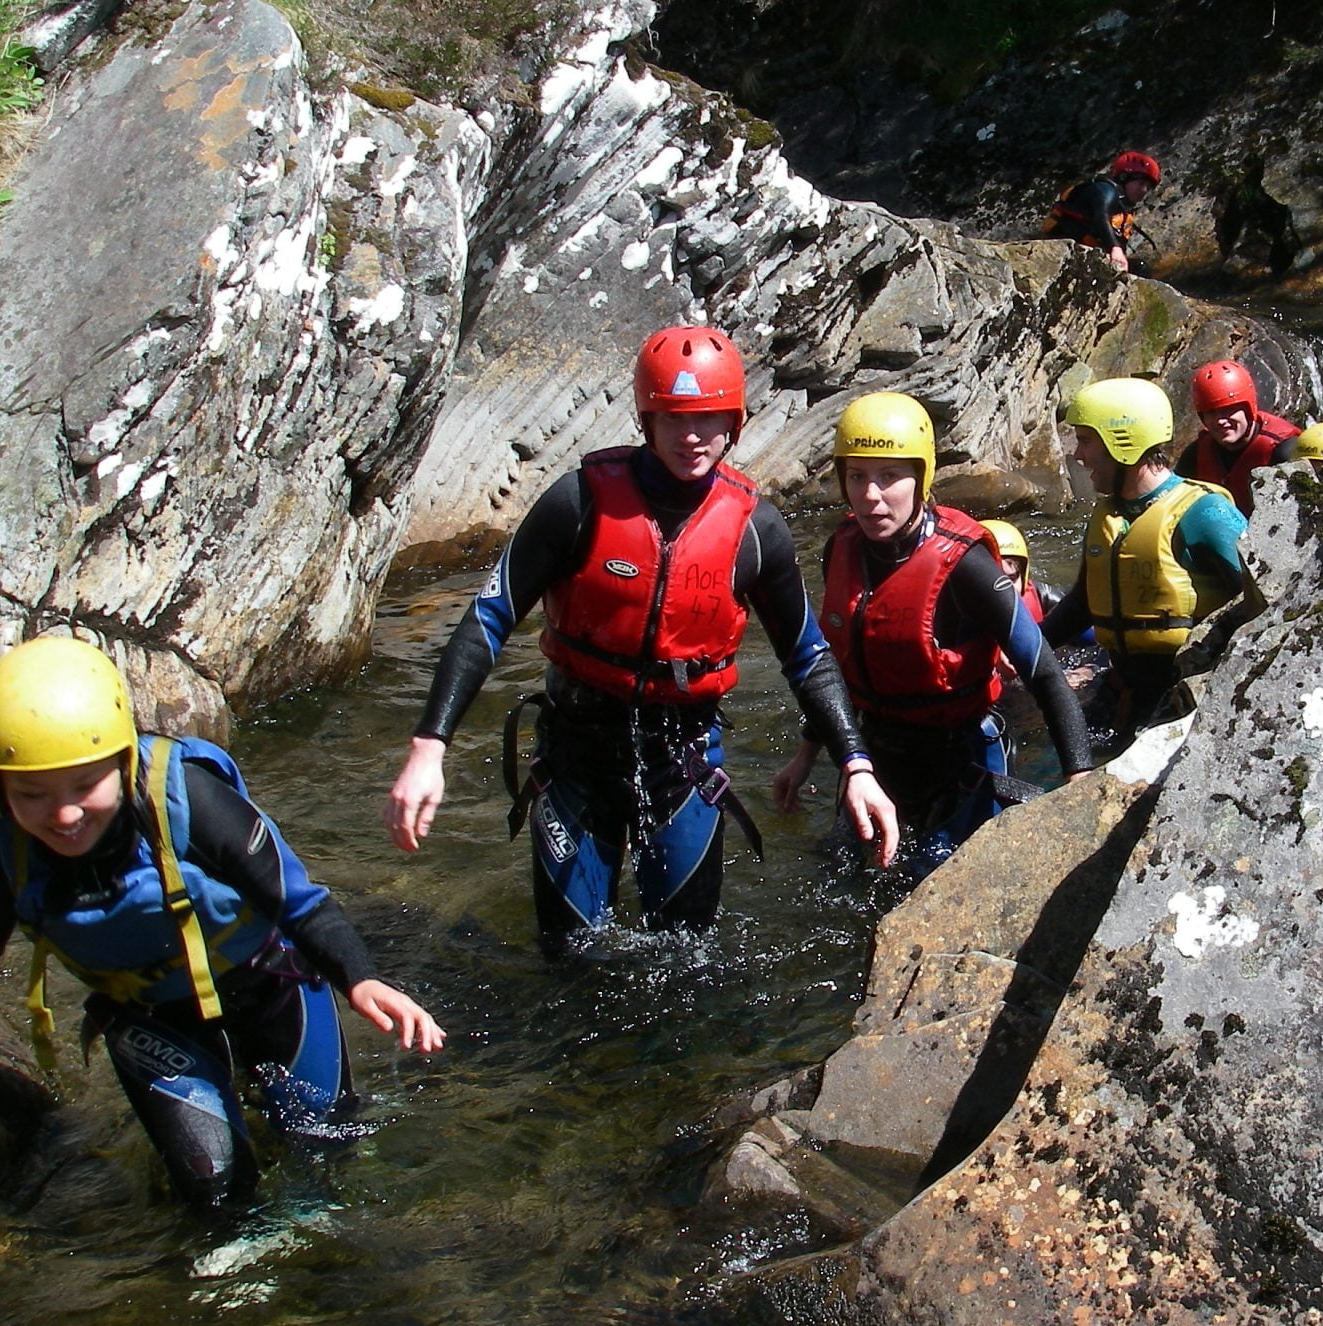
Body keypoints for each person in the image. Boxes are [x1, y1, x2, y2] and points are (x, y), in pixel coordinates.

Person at [383, 326, 898, 940]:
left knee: (683, 960)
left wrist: (856, 765)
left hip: (682, 760)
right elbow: (488, 619)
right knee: (570, 956)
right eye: (673, 417)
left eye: (707, 418)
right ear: (646, 418)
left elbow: (807, 657)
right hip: (576, 753)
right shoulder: (578, 503)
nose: (690, 436)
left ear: (733, 422)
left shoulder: (756, 531)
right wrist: (429, 748)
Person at [0, 637, 445, 1212]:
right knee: (216, 1194)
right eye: (32, 794)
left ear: (124, 764)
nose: (65, 814)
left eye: (85, 785)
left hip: (271, 986)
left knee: (324, 1147)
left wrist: (361, 978)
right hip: (153, 1016)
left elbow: (300, 903)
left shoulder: (187, 801)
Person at [770, 394, 1092, 880]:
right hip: (877, 755)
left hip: (960, 760)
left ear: (921, 479)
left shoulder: (967, 567)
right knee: (841, 877)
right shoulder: (841, 547)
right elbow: (841, 664)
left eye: (889, 476)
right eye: (857, 476)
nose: (871, 495)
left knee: (944, 880)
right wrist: (804, 755)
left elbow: (1044, 672)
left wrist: (1080, 781)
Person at [1042, 377, 1251, 738]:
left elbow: (1263, 604)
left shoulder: (1205, 512)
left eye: (1086, 440)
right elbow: (1083, 604)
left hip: (1187, 696)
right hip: (1126, 687)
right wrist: (1022, 649)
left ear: (1123, 442)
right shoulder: (1108, 516)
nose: (1078, 455)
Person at [1178, 359, 1304, 517]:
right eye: (1211, 412)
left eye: (1228, 409)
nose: (1220, 420)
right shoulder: (1195, 454)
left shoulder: (1284, 450)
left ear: (1248, 409)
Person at [1042, 151, 1162, 273]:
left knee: (1141, 267)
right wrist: (1115, 248)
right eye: (1141, 183)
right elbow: (1101, 216)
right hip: (1062, 248)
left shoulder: (1122, 209)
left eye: (1148, 187)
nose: (1144, 190)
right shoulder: (1105, 191)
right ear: (1124, 177)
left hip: (1089, 253)